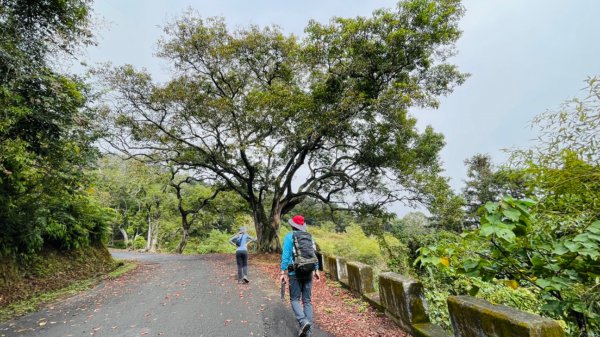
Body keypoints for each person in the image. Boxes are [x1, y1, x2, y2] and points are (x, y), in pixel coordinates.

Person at [280, 215, 320, 337]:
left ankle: (303, 321)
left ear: (292, 225)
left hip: (294, 273)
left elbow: (286, 256)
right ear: (302, 226)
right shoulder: (309, 236)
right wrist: (316, 269)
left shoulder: (289, 236)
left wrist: (282, 272)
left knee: (294, 299)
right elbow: (313, 253)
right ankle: (309, 332)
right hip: (309, 271)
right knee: (307, 301)